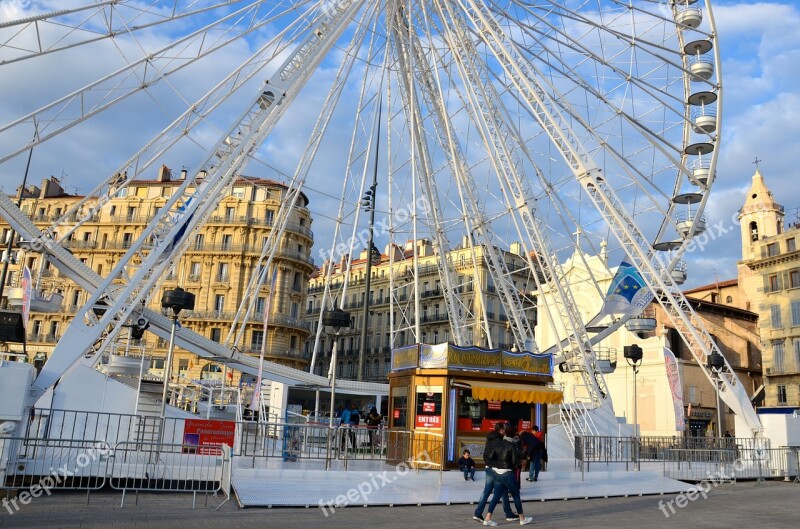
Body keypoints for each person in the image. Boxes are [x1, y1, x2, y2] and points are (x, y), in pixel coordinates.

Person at [483, 425, 532, 526]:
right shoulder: (512, 446)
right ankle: (522, 518)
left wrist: (497, 465)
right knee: (516, 496)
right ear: (514, 436)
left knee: (496, 496)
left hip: (497, 472)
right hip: (508, 473)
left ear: (505, 434)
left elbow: (491, 456)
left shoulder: (498, 443)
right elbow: (514, 461)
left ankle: (487, 518)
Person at [472, 423, 518, 524]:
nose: (505, 431)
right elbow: (500, 456)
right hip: (496, 469)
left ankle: (478, 513)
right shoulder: (500, 441)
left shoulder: (489, 438)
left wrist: (489, 464)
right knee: (503, 492)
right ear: (501, 430)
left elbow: (485, 455)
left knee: (487, 491)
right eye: (504, 429)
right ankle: (509, 514)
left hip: (488, 468)